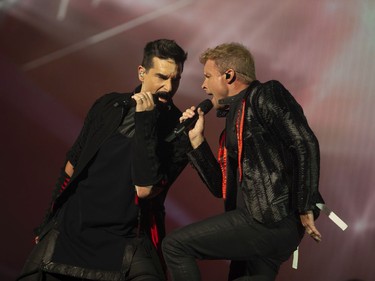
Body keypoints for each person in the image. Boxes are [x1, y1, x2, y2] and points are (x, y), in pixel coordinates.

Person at [17, 39, 189, 281]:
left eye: (176, 79)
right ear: (142, 72)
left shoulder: (178, 128)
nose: (169, 87)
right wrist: (48, 221)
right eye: (161, 77)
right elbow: (71, 166)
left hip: (126, 237)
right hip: (73, 228)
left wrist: (146, 120)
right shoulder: (108, 105)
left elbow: (146, 187)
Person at [162, 42, 324, 281]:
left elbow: (304, 142)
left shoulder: (265, 94)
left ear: (229, 75)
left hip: (269, 221)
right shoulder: (233, 122)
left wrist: (305, 204)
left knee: (175, 246)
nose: (203, 85)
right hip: (258, 226)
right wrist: (196, 141)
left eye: (207, 76)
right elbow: (220, 187)